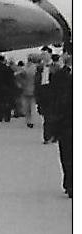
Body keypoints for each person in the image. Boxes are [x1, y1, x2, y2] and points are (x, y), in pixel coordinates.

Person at [47, 54, 72, 197]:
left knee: (67, 155)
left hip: (65, 123)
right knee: (67, 155)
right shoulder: (59, 76)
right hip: (66, 122)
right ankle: (70, 184)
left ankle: (70, 183)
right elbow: (54, 100)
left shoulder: (59, 76)